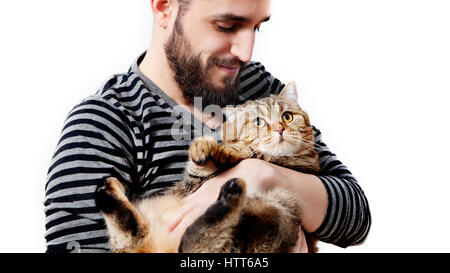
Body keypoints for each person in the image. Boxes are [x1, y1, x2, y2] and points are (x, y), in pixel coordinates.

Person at [44, 0, 371, 253]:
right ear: (164, 7)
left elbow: (355, 216)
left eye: (257, 27)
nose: (246, 52)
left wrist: (261, 175)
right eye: (227, 25)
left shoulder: (259, 87)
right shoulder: (102, 123)